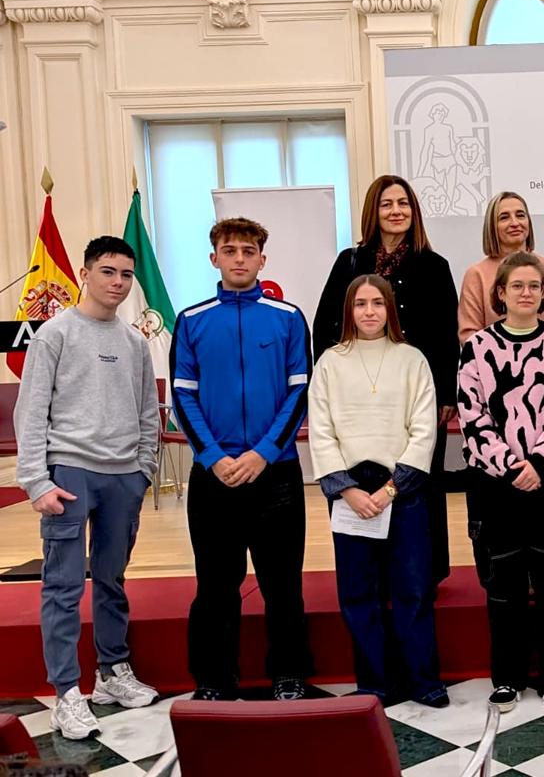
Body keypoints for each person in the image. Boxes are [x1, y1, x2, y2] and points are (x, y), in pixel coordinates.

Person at [14, 236, 159, 739]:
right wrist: (36, 481)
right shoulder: (55, 335)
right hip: (69, 472)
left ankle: (112, 672)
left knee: (113, 580)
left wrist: (144, 471)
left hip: (123, 476)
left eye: (125, 274)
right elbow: (30, 411)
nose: (117, 283)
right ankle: (67, 693)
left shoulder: (136, 342)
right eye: (107, 272)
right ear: (85, 273)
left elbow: (147, 412)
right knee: (63, 586)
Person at [171, 217, 313, 701]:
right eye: (229, 250)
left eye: (248, 251)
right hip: (214, 477)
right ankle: (214, 679)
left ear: (261, 260)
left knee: (283, 586)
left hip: (276, 476)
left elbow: (299, 392)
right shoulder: (191, 320)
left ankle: (289, 674)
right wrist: (212, 456)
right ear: (214, 259)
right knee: (214, 587)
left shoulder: (289, 317)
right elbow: (182, 396)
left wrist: (264, 453)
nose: (238, 258)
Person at [308, 274, 448, 707]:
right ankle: (375, 682)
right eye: (360, 304)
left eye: (378, 303)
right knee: (358, 593)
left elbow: (424, 430)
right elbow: (322, 430)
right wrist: (346, 490)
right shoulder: (331, 361)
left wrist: (391, 489)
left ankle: (423, 680)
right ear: (348, 311)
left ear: (391, 309)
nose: (369, 312)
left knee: (411, 589)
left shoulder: (412, 359)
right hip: (351, 492)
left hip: (401, 493)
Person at [313, 175, 459, 585]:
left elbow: (447, 332)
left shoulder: (434, 265)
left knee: (419, 481)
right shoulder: (351, 262)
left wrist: (446, 390)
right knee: (360, 477)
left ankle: (423, 573)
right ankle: (369, 572)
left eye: (404, 204)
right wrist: (328, 380)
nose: (397, 212)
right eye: (387, 204)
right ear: (372, 213)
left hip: (415, 394)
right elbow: (325, 325)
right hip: (357, 394)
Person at [458, 252, 544, 714]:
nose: (527, 293)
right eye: (517, 286)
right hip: (497, 488)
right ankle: (508, 677)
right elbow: (473, 420)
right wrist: (513, 467)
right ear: (501, 293)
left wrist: (538, 465)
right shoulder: (476, 350)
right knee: (504, 588)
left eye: (535, 286)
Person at [458, 191, 544, 348]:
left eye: (520, 215)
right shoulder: (477, 275)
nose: (514, 222)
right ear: (492, 226)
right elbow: (470, 335)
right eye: (504, 217)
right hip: (498, 370)